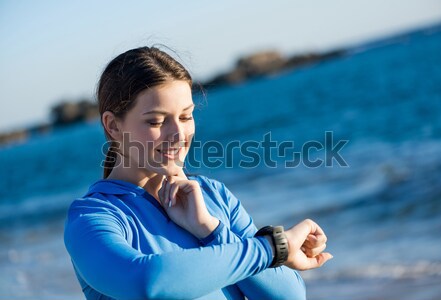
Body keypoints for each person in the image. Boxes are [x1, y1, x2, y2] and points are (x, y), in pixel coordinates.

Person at [64, 46, 333, 300]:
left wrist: (209, 229)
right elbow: (147, 282)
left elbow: (289, 295)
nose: (178, 134)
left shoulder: (212, 195)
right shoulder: (93, 218)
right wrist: (273, 248)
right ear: (113, 126)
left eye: (185, 116)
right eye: (156, 121)